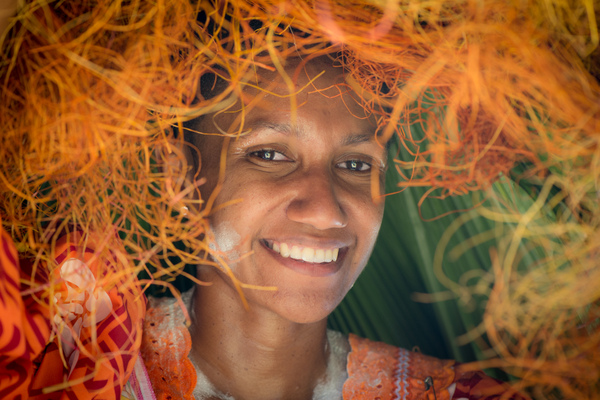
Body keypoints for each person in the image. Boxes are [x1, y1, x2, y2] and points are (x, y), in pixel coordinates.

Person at [130, 56, 526, 400]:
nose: (325, 212)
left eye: (356, 164)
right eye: (270, 155)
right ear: (180, 178)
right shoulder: (83, 357)